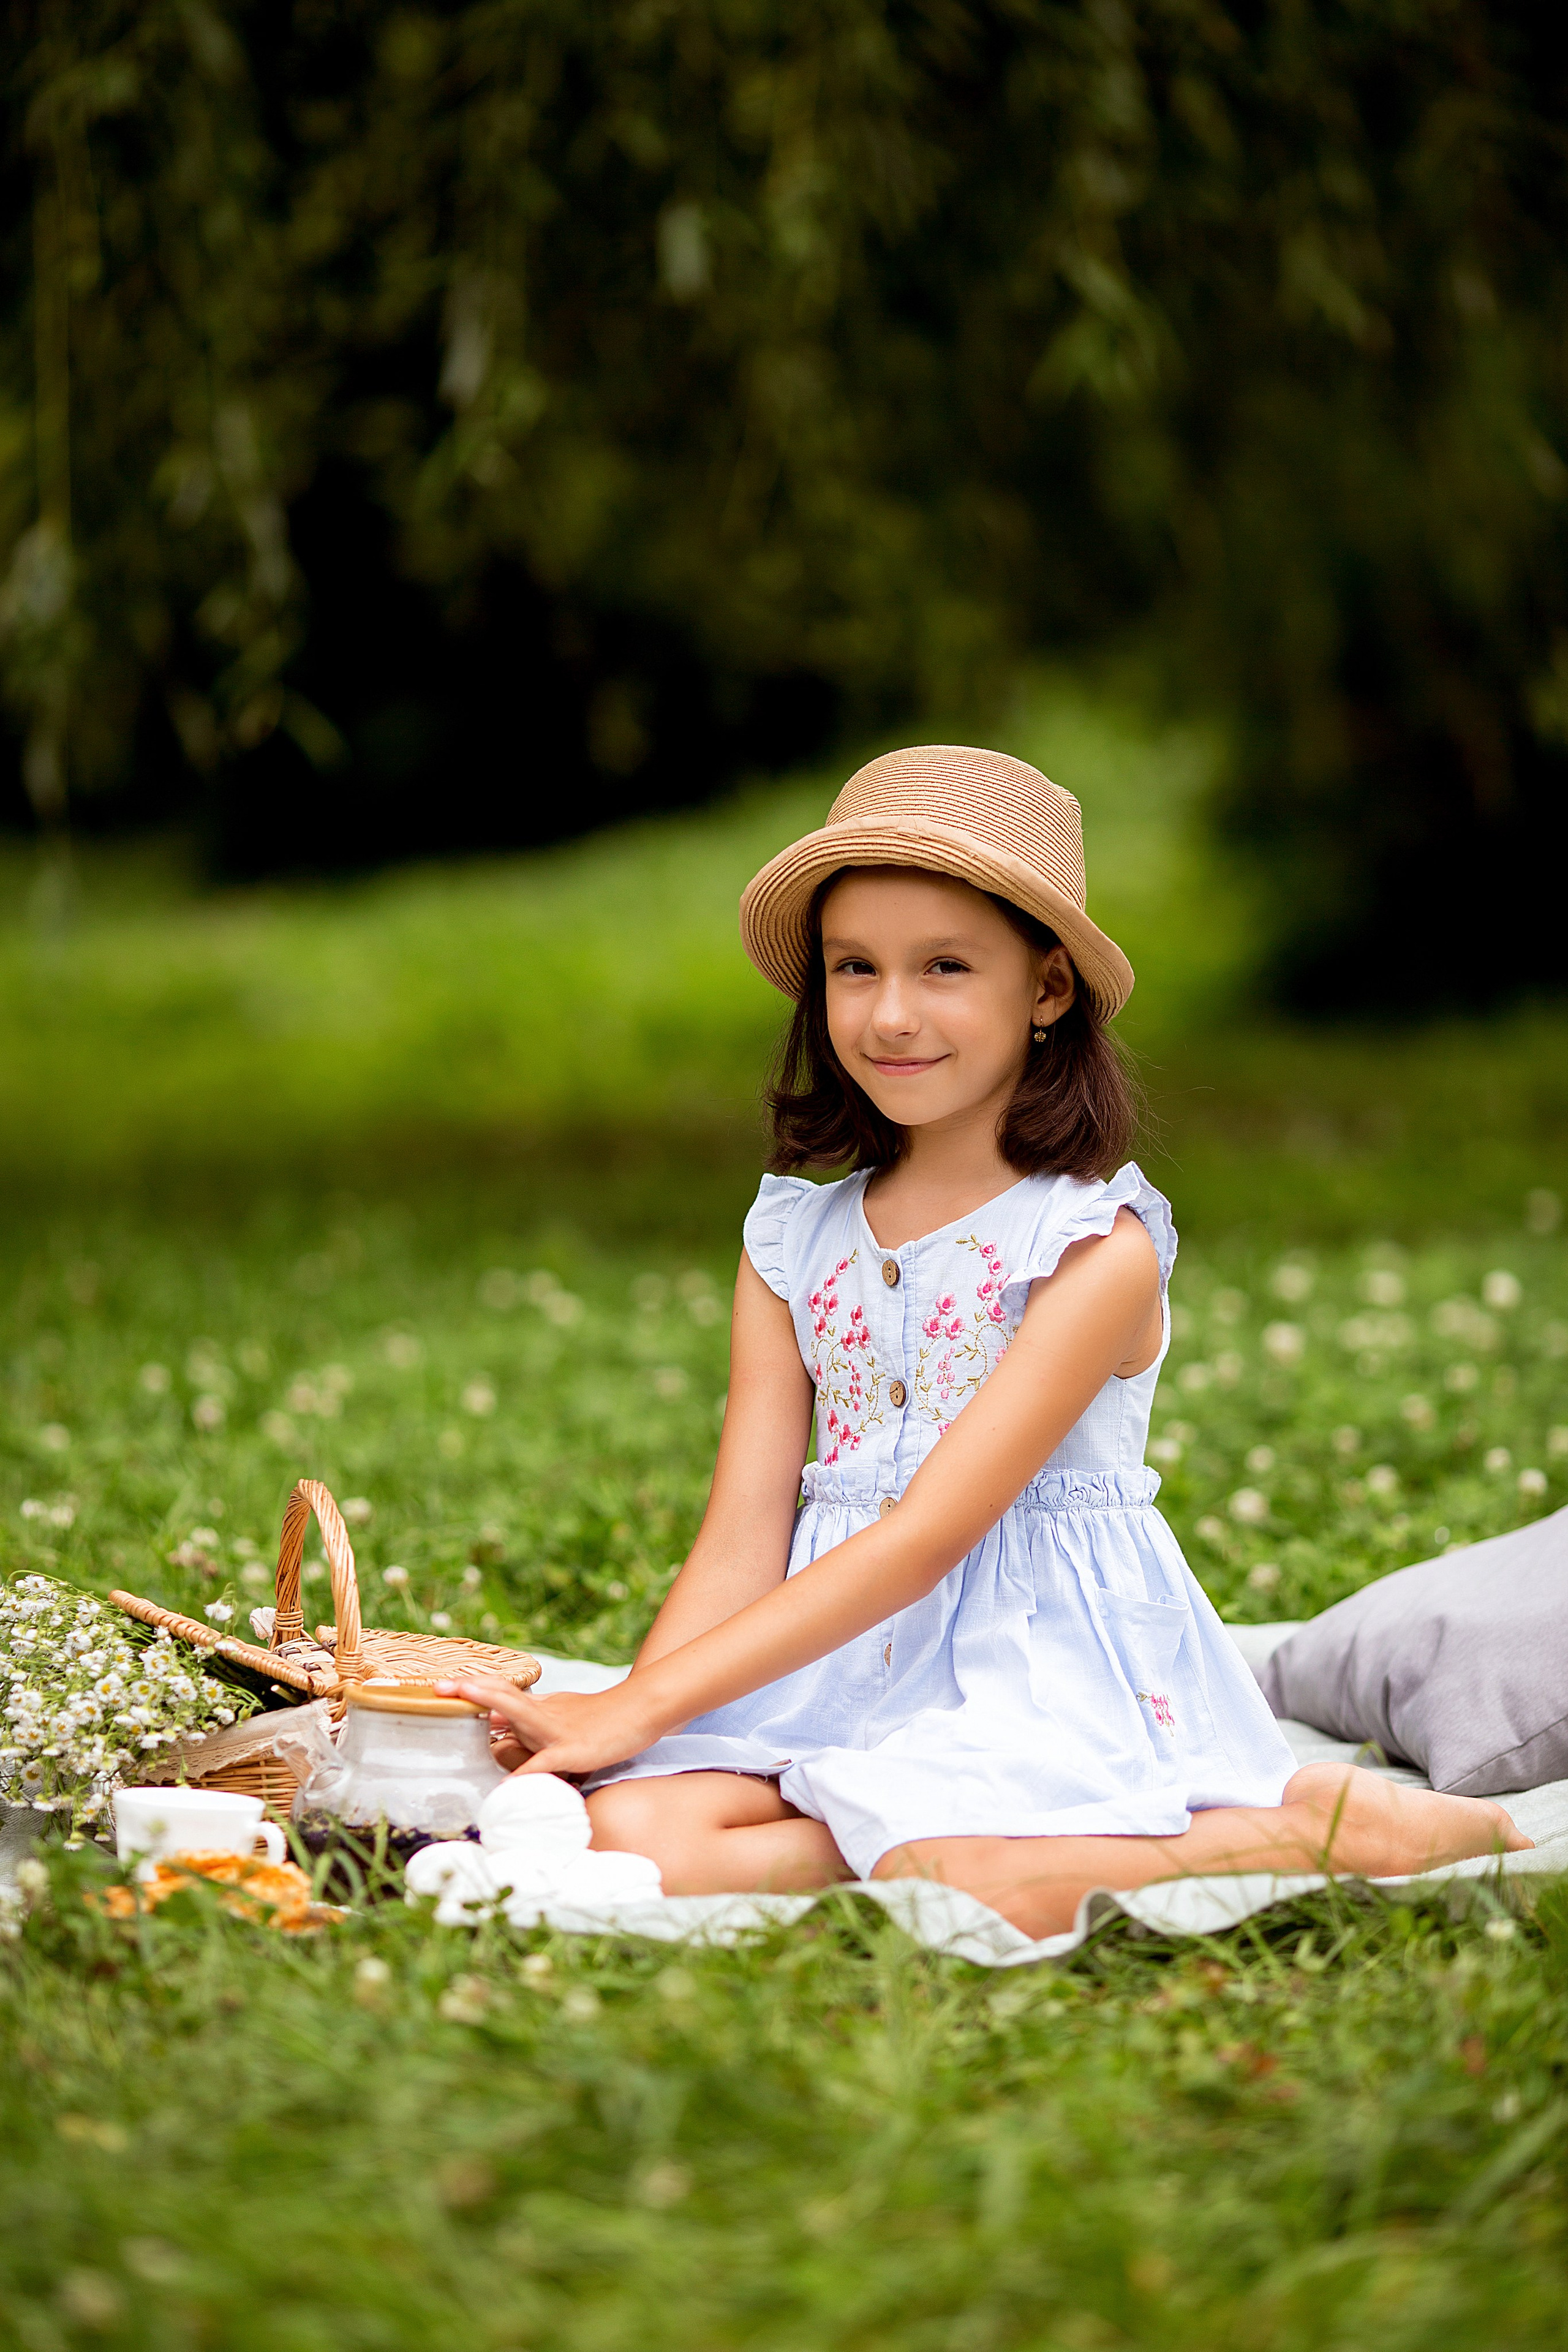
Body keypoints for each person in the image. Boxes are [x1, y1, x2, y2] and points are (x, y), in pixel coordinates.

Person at [441, 745, 1528, 1937]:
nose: (890, 1014)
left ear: (1047, 989)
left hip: (1038, 1662)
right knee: (629, 1827)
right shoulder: (792, 1241)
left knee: (941, 1875)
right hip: (840, 1659)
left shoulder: (1091, 1248)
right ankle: (895, 1832)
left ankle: (1321, 1826)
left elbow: (925, 1540)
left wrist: (631, 1711)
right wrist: (625, 1724)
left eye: (945, 967)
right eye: (854, 967)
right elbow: (742, 1535)